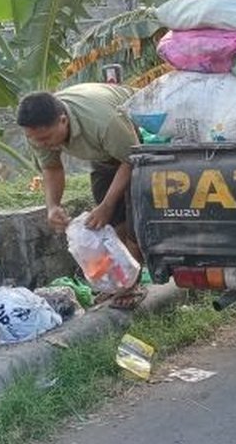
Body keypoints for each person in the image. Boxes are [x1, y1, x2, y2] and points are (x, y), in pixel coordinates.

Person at [16, 83, 144, 305]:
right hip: (105, 153)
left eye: (45, 138)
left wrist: (107, 205)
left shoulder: (104, 122)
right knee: (111, 225)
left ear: (63, 120)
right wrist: (53, 206)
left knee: (135, 220)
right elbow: (52, 168)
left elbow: (132, 159)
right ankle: (120, 283)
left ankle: (132, 286)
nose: (40, 144)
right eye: (33, 138)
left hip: (138, 142)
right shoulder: (38, 134)